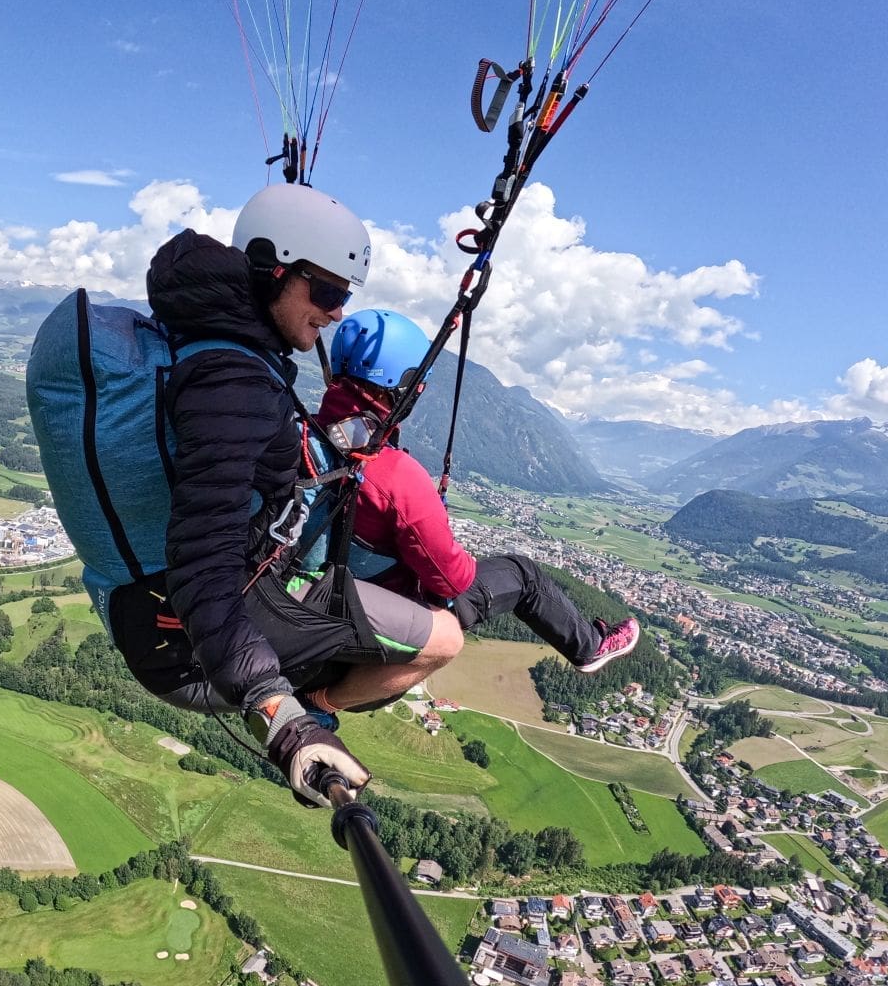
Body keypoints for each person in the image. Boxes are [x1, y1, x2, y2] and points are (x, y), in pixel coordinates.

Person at [108, 185, 469, 807]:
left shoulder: (228, 347)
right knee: (444, 638)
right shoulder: (233, 380)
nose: (335, 313)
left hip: (182, 610)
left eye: (345, 296)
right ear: (273, 268)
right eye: (328, 292)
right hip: (197, 639)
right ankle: (322, 703)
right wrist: (284, 717)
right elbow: (203, 565)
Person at [301, 308, 640, 719]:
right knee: (522, 574)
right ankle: (589, 646)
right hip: (377, 614)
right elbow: (452, 580)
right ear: (402, 389)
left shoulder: (304, 435)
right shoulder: (395, 475)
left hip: (312, 596)